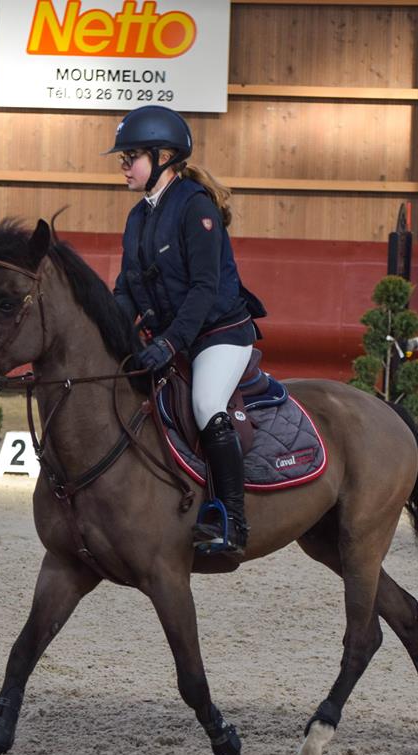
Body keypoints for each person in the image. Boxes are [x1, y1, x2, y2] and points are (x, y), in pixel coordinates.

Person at [106, 105, 264, 556]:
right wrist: (114, 333)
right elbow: (126, 290)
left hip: (220, 334)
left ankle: (231, 519)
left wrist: (170, 342)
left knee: (205, 403)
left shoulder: (196, 206)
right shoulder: (138, 218)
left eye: (130, 156)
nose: (123, 165)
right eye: (123, 157)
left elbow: (203, 289)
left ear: (163, 157)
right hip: (170, 336)